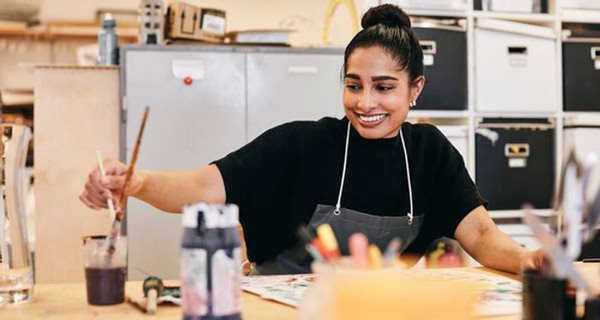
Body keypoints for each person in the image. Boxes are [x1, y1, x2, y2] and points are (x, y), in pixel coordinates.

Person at [80, 4, 545, 275]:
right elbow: (203, 187)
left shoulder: (430, 155)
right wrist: (136, 183)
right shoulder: (302, 145)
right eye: (353, 84)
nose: (365, 102)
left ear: (414, 89)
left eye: (383, 87)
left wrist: (528, 259)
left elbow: (481, 234)